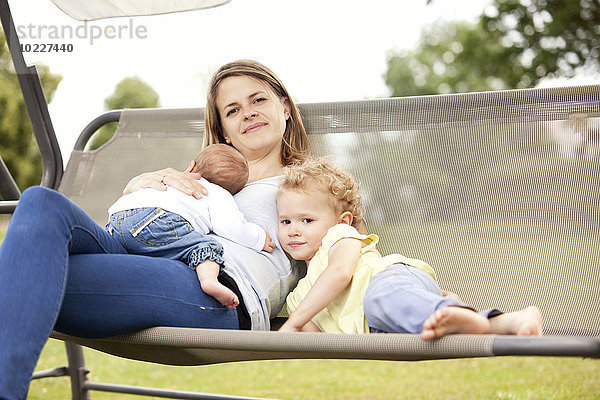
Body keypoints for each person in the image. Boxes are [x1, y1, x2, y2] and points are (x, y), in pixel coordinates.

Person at [0, 59, 310, 400]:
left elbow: (349, 245)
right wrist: (137, 187)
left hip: (218, 290)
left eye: (258, 100)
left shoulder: (311, 183)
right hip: (148, 257)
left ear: (284, 106)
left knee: (27, 272)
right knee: (41, 203)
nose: (248, 113)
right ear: (222, 129)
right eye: (233, 110)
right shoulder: (202, 180)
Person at [276, 157, 543, 340]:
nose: (293, 230)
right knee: (391, 318)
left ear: (343, 220)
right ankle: (511, 321)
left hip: (388, 281)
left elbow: (339, 274)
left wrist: (294, 322)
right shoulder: (297, 297)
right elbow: (318, 340)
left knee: (379, 302)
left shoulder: (340, 236)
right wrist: (299, 324)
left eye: (306, 220)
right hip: (377, 328)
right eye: (285, 221)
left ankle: (449, 311)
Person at [107, 143, 277, 308]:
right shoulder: (218, 194)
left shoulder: (172, 179)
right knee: (205, 246)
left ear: (191, 166)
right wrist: (260, 238)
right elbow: (231, 226)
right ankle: (209, 280)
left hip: (117, 218)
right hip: (157, 220)